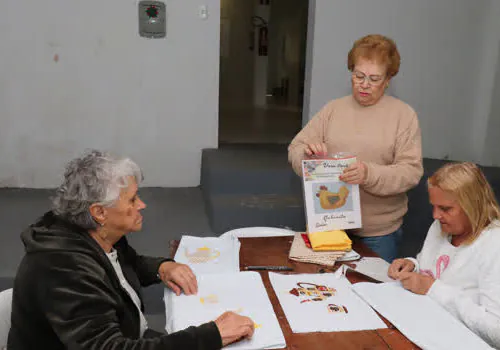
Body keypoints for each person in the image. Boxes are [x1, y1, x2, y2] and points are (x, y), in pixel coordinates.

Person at [8, 150, 254, 350]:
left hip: (130, 336)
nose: (142, 205)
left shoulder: (93, 233)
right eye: (133, 200)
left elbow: (125, 264)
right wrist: (211, 336)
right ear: (99, 212)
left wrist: (161, 267)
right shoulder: (65, 271)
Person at [288, 34, 423, 262]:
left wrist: (368, 174)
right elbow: (295, 149)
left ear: (389, 78)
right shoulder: (333, 109)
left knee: (372, 290)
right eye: (358, 75)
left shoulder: (403, 116)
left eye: (374, 78)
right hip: (329, 224)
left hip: (379, 232)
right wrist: (309, 157)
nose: (364, 84)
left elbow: (410, 172)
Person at [388, 162, 500, 349]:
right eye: (434, 207)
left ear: (473, 205)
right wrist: (413, 265)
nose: (436, 215)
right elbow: (435, 267)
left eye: (445, 209)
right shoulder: (442, 226)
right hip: (439, 331)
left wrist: (432, 289)